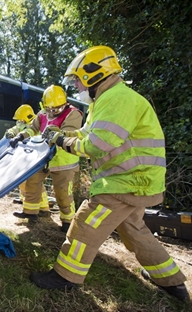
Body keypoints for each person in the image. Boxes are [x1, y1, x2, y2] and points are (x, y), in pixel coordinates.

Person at [30, 45, 189, 301]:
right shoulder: (109, 98)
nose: (78, 88)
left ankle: (65, 277)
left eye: (79, 81)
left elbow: (95, 145)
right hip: (138, 181)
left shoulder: (117, 99)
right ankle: (172, 283)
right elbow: (86, 134)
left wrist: (61, 142)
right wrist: (62, 134)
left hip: (125, 181)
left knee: (85, 224)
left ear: (93, 75)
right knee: (134, 229)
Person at [10, 85, 83, 232]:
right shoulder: (43, 113)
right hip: (43, 157)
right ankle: (31, 212)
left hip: (64, 161)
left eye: (56, 109)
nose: (52, 112)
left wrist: (57, 135)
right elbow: (33, 128)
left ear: (64, 103)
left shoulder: (74, 114)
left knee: (62, 193)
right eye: (49, 108)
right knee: (32, 181)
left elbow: (69, 132)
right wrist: (21, 136)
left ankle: (68, 222)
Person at [5, 104, 51, 212]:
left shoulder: (35, 126)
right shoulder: (22, 124)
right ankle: (23, 199)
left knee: (35, 184)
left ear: (27, 117)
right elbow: (14, 129)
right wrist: (10, 134)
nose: (19, 122)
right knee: (21, 180)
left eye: (21, 119)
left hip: (33, 158)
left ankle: (44, 207)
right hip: (22, 158)